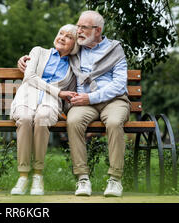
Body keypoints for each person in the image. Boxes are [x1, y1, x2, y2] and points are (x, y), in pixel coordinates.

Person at [17, 11, 130, 197]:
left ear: (98, 30)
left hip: (113, 100)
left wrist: (90, 98)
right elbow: (54, 54)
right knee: (73, 121)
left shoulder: (114, 49)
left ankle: (115, 179)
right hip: (84, 102)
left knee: (114, 123)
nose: (79, 31)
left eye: (83, 28)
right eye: (78, 26)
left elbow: (119, 85)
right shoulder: (77, 49)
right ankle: (82, 178)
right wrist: (25, 60)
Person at [10, 24, 79, 195]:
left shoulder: (74, 66)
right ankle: (23, 176)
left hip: (51, 102)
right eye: (60, 33)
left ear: (75, 44)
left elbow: (71, 93)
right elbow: (30, 77)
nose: (62, 37)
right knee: (25, 118)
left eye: (69, 36)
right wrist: (59, 92)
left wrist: (70, 109)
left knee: (42, 117)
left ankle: (38, 175)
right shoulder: (38, 52)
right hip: (27, 96)